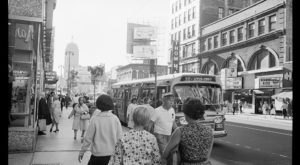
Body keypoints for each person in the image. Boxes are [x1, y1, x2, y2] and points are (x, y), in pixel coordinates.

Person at [162, 97, 214, 165]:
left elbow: (166, 152)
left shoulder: (180, 131)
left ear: (186, 114)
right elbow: (207, 156)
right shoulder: (210, 131)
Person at [78, 94, 122, 165]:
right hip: (112, 155)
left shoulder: (95, 119)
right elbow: (120, 138)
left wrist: (82, 151)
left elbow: (88, 138)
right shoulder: (115, 119)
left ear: (98, 105)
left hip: (97, 156)